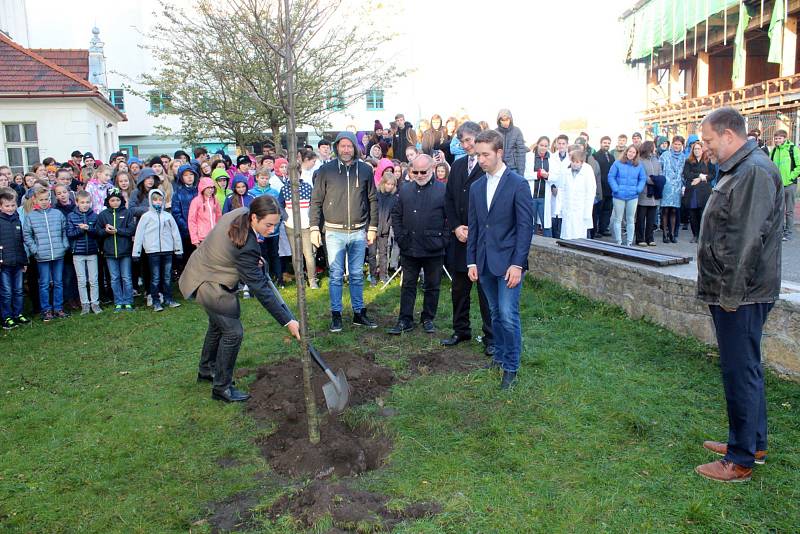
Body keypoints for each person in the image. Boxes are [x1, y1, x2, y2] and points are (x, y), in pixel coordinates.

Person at [694, 107, 784, 483]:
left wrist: (728, 295)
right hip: (738, 291)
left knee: (739, 372)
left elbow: (746, 240)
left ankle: (741, 459)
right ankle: (751, 442)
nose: (707, 149)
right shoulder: (742, 169)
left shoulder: (752, 172)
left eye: (710, 141)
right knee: (746, 368)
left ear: (730, 135)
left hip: (741, 294)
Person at [179, 195, 301, 402]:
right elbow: (261, 289)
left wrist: (253, 262)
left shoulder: (241, 214)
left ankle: (207, 369)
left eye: (275, 225)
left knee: (218, 326)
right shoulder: (246, 244)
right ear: (254, 217)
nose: (272, 230)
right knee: (233, 332)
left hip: (204, 269)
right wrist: (288, 321)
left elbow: (240, 254)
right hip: (207, 281)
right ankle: (221, 388)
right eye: (268, 225)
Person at [467, 130, 534, 390]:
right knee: (494, 313)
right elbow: (474, 226)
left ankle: (511, 366)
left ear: (499, 153)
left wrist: (518, 264)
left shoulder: (517, 184)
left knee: (508, 314)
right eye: (477, 155)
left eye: (485, 155)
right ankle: (500, 356)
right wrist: (471, 261)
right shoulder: (476, 186)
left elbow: (525, 228)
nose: (481, 160)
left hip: (509, 264)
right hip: (484, 263)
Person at [309, 131, 379, 332]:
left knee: (357, 274)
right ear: (337, 147)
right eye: (343, 146)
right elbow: (316, 200)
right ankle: (336, 314)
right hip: (333, 231)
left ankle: (359, 313)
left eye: (350, 146)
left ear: (355, 148)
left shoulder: (365, 170)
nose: (346, 150)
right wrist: (314, 227)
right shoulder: (326, 171)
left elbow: (373, 199)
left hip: (358, 231)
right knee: (336, 274)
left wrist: (372, 227)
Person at [442, 121, 494, 355]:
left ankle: (491, 336)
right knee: (459, 289)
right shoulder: (458, 165)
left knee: (485, 291)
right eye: (463, 140)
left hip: (481, 239)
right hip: (460, 239)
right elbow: (449, 200)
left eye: (471, 139)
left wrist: (475, 228)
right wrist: (455, 228)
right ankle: (461, 329)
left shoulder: (487, 167)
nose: (467, 144)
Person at [388, 154, 448, 334]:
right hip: (409, 246)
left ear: (432, 170)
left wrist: (443, 240)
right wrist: (400, 237)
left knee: (432, 285)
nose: (420, 175)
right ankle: (405, 319)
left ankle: (428, 318)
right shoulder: (405, 189)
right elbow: (396, 214)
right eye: (416, 171)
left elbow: (449, 219)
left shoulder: (443, 190)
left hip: (434, 247)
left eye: (424, 171)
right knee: (408, 284)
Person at [23, 185, 69, 321]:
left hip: (58, 253)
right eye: (41, 199)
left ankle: (58, 308)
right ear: (35, 200)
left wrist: (64, 245)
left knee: (58, 282)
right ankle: (46, 310)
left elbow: (64, 230)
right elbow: (27, 235)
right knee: (44, 283)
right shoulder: (31, 217)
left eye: (46, 199)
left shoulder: (57, 214)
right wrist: (34, 249)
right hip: (42, 255)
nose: (44, 202)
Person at [132, 189, 184, 312]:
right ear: (150, 201)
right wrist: (136, 252)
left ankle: (168, 298)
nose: (158, 202)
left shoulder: (168, 216)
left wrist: (178, 250)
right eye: (155, 200)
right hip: (152, 251)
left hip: (167, 250)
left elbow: (175, 233)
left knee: (167, 276)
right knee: (155, 277)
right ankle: (155, 300)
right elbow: (139, 235)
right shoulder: (146, 217)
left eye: (160, 200)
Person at [279, 150, 317, 289]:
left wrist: (312, 221)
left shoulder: (307, 187)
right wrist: (286, 217)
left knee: (309, 254)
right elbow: (279, 205)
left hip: (306, 225)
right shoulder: (284, 189)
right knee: (296, 255)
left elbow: (313, 205)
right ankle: (300, 280)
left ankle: (312, 280)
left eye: (297, 173)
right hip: (290, 226)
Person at [96, 188, 135, 312]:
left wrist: (118, 231)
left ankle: (128, 301)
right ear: (108, 201)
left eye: (118, 200)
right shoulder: (103, 215)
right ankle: (118, 301)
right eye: (112, 200)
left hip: (125, 251)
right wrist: (106, 231)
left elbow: (131, 230)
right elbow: (98, 232)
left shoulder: (127, 213)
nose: (115, 202)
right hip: (110, 252)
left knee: (126, 277)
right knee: (114, 278)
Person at [66, 190, 102, 315]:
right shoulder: (71, 216)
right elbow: (69, 234)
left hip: (92, 251)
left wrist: (89, 229)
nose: (85, 205)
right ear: (77, 203)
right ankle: (85, 304)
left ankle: (95, 303)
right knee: (81, 280)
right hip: (78, 252)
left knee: (93, 279)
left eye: (87, 202)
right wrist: (81, 230)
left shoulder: (94, 216)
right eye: (82, 202)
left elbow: (98, 233)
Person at [0, 187, 29, 329]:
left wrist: (24, 261)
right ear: (1, 207)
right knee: (6, 291)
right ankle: (7, 316)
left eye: (13, 205)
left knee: (18, 290)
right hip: (4, 263)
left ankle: (18, 314)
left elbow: (21, 242)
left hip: (18, 262)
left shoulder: (17, 220)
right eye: (7, 206)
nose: (10, 208)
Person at [608, 145, 647, 246]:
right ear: (626, 152)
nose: (631, 154)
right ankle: (618, 241)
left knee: (630, 219)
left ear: (636, 154)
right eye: (630, 152)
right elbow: (611, 176)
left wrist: (638, 189)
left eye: (634, 152)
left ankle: (629, 242)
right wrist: (616, 189)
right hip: (618, 195)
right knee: (618, 219)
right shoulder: (617, 163)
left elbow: (642, 178)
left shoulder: (639, 165)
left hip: (632, 196)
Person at [558, 146, 597, 240]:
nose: (574, 164)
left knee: (579, 235)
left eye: (577, 162)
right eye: (573, 162)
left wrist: (587, 211)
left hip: (581, 208)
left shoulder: (587, 171)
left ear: (582, 162)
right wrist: (559, 207)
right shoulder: (566, 172)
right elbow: (561, 189)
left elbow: (591, 192)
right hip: (568, 207)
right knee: (566, 234)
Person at [769, 129, 800, 241]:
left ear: (785, 138)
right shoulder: (773, 151)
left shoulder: (792, 149)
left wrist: (791, 177)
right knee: (779, 209)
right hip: (778, 185)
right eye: (776, 138)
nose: (777, 140)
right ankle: (779, 231)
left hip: (790, 185)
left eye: (779, 138)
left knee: (789, 210)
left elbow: (799, 166)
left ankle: (788, 232)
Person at [682, 141, 715, 243]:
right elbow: (686, 174)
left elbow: (712, 174)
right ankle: (695, 235)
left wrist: (701, 179)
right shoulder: (689, 161)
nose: (697, 151)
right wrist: (699, 175)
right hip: (692, 190)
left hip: (704, 191)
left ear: (702, 150)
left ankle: (702, 235)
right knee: (692, 213)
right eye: (695, 149)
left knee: (702, 213)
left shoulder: (708, 160)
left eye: (698, 149)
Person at [524, 136, 553, 237]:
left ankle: (549, 247)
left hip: (544, 196)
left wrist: (548, 176)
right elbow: (525, 174)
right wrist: (538, 174)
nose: (543, 148)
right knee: (531, 223)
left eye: (546, 146)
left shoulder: (551, 158)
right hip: (532, 195)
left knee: (546, 225)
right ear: (537, 144)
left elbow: (557, 176)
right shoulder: (529, 156)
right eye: (541, 145)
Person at [659, 136, 687, 243]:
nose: (677, 146)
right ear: (672, 145)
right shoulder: (665, 155)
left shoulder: (684, 157)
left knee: (674, 210)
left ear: (682, 146)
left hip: (677, 187)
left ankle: (672, 233)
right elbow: (660, 169)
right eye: (675, 144)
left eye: (679, 144)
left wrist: (683, 185)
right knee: (666, 210)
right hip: (666, 186)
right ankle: (665, 234)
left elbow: (684, 173)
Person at [635, 141, 662, 247]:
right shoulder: (640, 160)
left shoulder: (656, 160)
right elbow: (641, 175)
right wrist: (652, 180)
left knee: (651, 218)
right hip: (643, 192)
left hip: (654, 193)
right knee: (641, 218)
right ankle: (640, 238)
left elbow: (660, 173)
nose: (655, 149)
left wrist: (658, 180)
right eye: (653, 147)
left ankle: (650, 238)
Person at [374, 170, 398, 284]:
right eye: (388, 184)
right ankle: (373, 275)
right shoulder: (376, 195)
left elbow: (393, 214)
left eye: (392, 184)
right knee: (372, 253)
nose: (390, 186)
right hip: (373, 228)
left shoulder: (394, 198)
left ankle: (383, 275)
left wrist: (388, 225)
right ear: (383, 183)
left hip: (385, 230)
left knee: (384, 253)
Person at [548, 135, 572, 239]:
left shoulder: (570, 158)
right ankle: (554, 238)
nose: (561, 146)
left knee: (564, 215)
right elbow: (549, 172)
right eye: (559, 143)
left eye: (563, 144)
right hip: (554, 189)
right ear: (556, 144)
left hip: (566, 190)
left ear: (567, 145)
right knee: (553, 215)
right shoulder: (551, 157)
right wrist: (553, 186)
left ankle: (563, 238)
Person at [188, 176, 222, 247]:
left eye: (212, 187)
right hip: (202, 238)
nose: (211, 190)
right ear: (202, 188)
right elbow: (192, 221)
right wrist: (195, 240)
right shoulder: (196, 201)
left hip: (215, 237)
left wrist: (220, 234)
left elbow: (219, 218)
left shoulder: (215, 200)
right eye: (208, 187)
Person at [594, 136, 616, 237]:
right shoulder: (595, 156)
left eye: (608, 143)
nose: (606, 144)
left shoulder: (612, 157)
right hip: (600, 187)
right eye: (604, 142)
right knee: (598, 210)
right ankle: (596, 230)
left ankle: (603, 228)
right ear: (600, 143)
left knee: (607, 210)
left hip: (609, 188)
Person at [495, 109, 527, 175]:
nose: (505, 122)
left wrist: (521, 173)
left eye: (507, 119)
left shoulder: (517, 131)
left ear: (510, 120)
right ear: (499, 121)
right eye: (502, 120)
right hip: (499, 168)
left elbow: (521, 153)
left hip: (513, 168)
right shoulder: (495, 132)